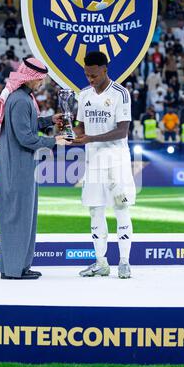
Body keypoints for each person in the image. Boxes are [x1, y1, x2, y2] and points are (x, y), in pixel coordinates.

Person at [0, 57, 69, 280]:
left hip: (20, 164)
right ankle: (15, 270)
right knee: (18, 215)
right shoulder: (20, 100)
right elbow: (25, 138)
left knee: (22, 215)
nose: (42, 83)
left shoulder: (21, 99)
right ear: (32, 78)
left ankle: (16, 266)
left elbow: (26, 124)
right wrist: (56, 141)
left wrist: (49, 121)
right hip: (19, 165)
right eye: (41, 80)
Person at [72, 51, 136, 279]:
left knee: (121, 208)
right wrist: (73, 133)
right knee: (95, 210)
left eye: (94, 75)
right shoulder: (84, 95)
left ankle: (125, 262)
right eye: (87, 75)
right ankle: (101, 262)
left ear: (104, 69)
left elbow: (122, 130)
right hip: (93, 163)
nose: (90, 79)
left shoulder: (121, 94)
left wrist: (90, 138)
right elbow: (80, 125)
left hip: (116, 162)